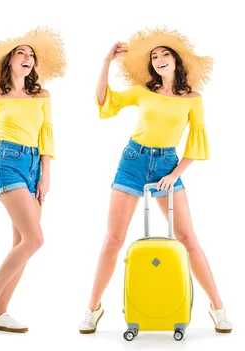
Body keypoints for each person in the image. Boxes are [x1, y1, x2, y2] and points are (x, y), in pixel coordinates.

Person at [79, 27, 232, 334]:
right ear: (152, 67)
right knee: (113, 240)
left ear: (176, 60)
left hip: (167, 165)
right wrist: (106, 61)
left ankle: (218, 308)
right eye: (154, 57)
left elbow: (196, 144)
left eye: (165, 54)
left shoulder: (193, 99)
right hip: (133, 162)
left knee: (188, 239)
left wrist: (174, 175)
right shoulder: (143, 91)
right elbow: (104, 101)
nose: (160, 59)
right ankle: (92, 309)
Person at [0, 27, 66, 334]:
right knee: (35, 239)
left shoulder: (43, 96)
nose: (27, 58)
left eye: (31, 55)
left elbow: (47, 136)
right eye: (21, 53)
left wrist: (46, 176)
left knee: (22, 243)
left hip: (35, 166)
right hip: (7, 163)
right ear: (9, 61)